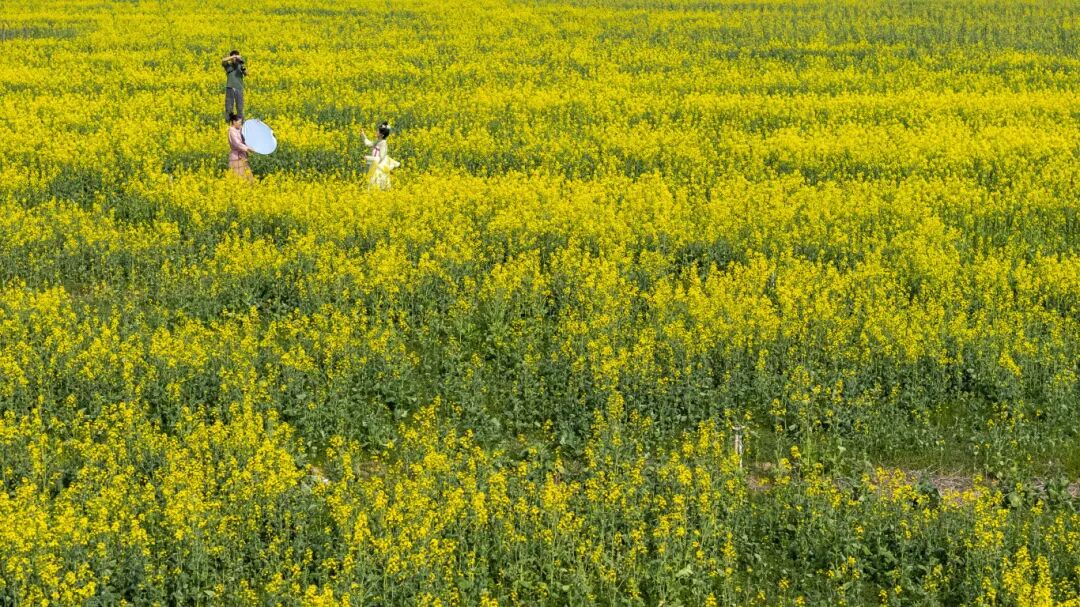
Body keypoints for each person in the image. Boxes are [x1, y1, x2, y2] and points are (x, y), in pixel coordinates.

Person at [361, 122, 399, 190]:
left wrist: (368, 158)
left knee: (377, 183)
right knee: (372, 183)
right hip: (374, 164)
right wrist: (363, 135)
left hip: (379, 167)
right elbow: (368, 144)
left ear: (381, 134)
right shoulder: (378, 141)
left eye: (377, 131)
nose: (376, 132)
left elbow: (381, 158)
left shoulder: (383, 144)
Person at [227, 113, 256, 182]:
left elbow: (248, 129)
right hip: (236, 156)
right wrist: (247, 148)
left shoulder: (239, 129)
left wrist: (256, 123)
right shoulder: (231, 131)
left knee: (245, 173)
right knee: (238, 175)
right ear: (234, 122)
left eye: (241, 122)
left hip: (242, 155)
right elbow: (237, 144)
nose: (240, 124)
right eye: (239, 122)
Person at [222, 50, 246, 122]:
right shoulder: (228, 65)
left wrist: (242, 66)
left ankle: (240, 124)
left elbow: (246, 73)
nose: (235, 58)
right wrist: (233, 56)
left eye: (236, 56)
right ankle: (228, 122)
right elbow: (223, 60)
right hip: (230, 87)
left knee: (240, 107)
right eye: (234, 56)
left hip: (239, 88)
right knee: (229, 107)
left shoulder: (240, 65)